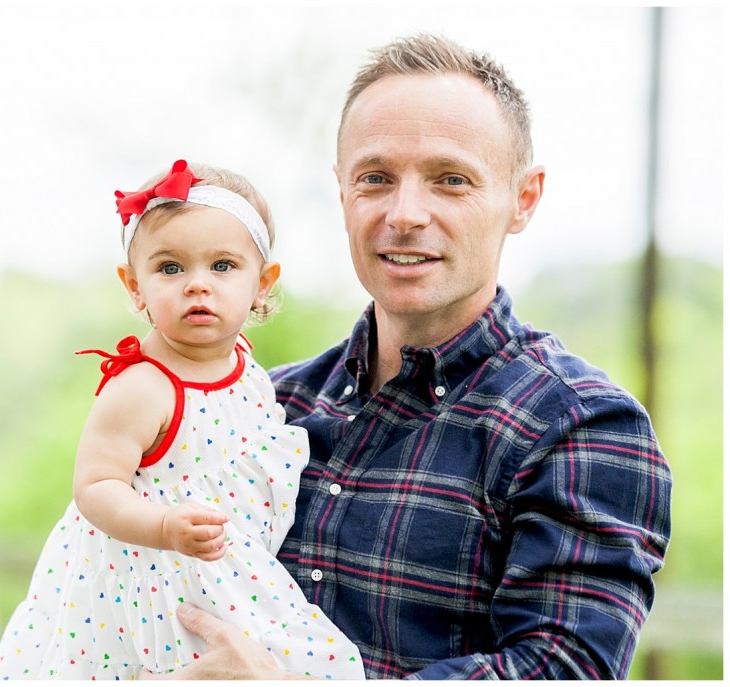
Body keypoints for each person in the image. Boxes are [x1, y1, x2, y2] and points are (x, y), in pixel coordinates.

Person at [144, 34, 673, 680]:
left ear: (523, 198)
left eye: (450, 180)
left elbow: (561, 670)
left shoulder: (581, 427)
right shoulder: (261, 406)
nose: (405, 213)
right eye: (376, 178)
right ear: (342, 192)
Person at [0, 160, 365, 680]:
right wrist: (163, 525)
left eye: (223, 266)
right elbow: (95, 485)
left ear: (262, 284)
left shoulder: (246, 367)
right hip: (151, 575)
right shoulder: (143, 387)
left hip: (229, 564)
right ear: (134, 286)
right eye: (170, 268)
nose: (197, 285)